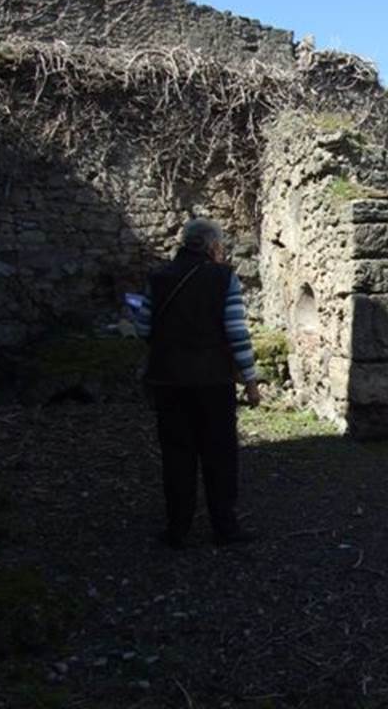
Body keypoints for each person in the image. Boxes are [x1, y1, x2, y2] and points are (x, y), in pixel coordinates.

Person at [134, 218, 260, 548]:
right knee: (220, 453)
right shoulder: (223, 278)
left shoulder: (158, 277)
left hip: (168, 380)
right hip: (213, 381)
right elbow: (236, 332)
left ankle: (177, 527)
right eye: (220, 246)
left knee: (177, 453)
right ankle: (225, 527)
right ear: (211, 246)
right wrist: (250, 379)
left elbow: (143, 328)